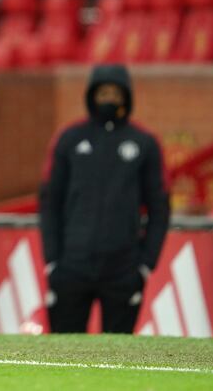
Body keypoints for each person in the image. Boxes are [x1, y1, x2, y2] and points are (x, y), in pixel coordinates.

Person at [39, 64, 169, 333]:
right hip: (72, 266)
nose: (109, 99)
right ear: (92, 95)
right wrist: (53, 260)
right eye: (103, 93)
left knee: (117, 354)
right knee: (64, 354)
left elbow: (160, 207)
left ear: (126, 97)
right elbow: (50, 202)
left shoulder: (144, 143)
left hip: (123, 269)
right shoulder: (70, 139)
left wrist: (145, 264)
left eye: (115, 93)